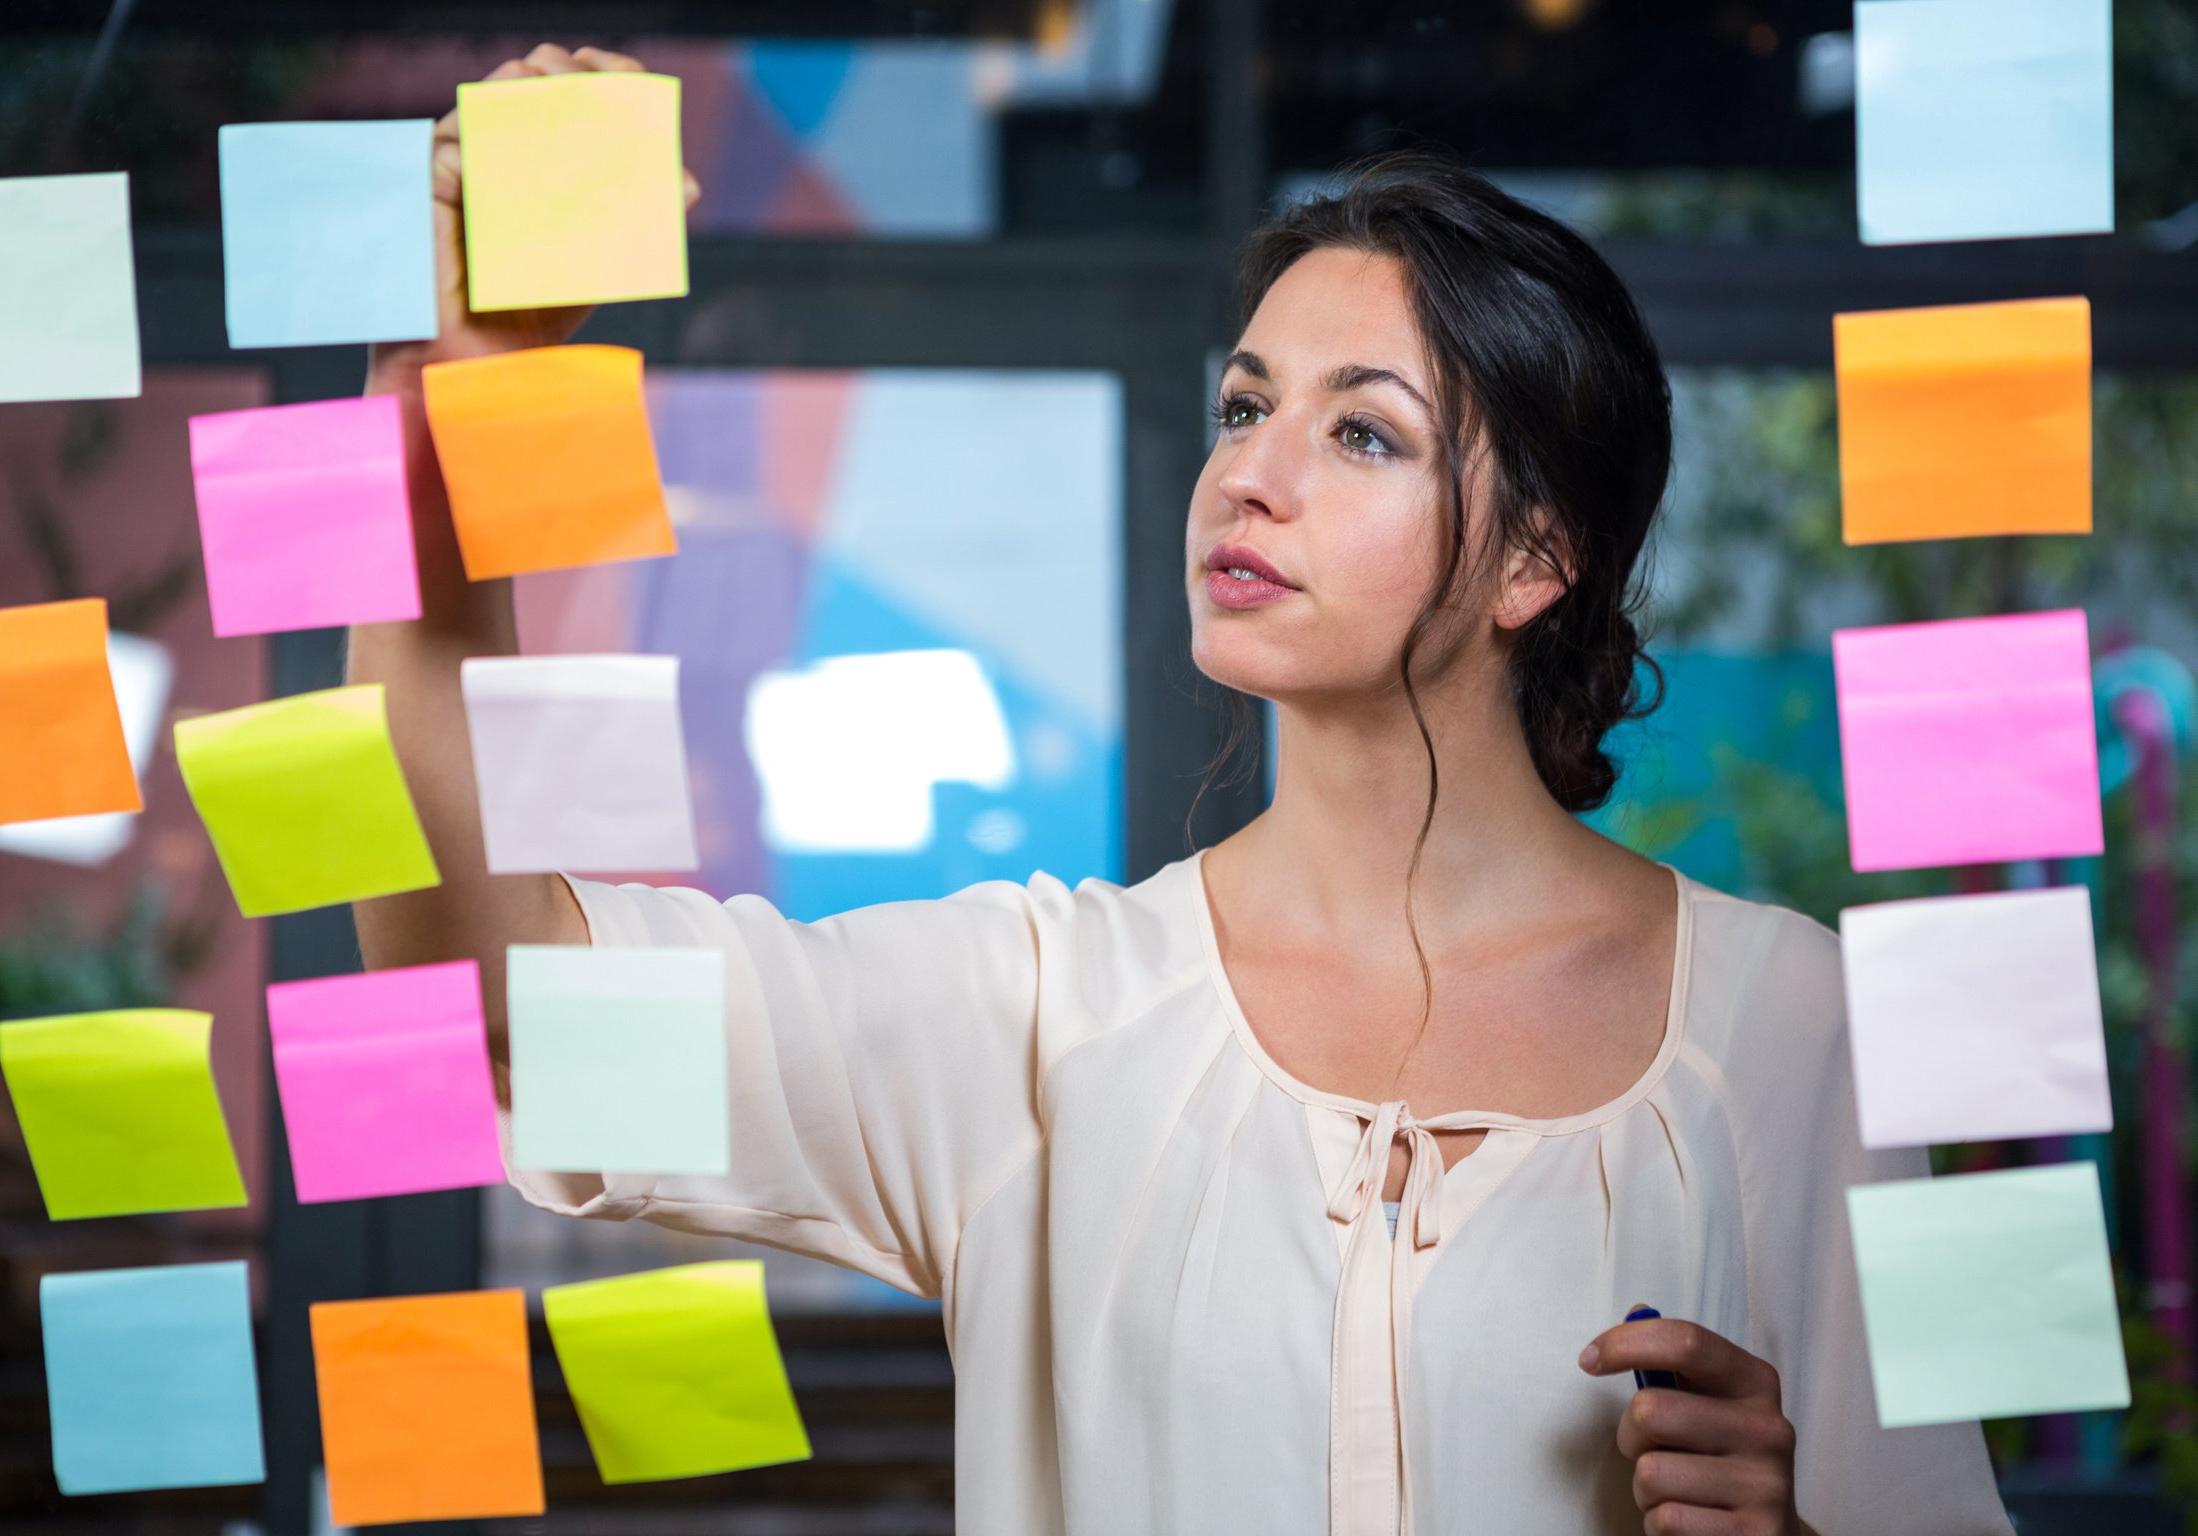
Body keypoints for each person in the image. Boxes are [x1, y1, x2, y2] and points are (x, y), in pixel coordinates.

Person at [352, 43, 2015, 1536]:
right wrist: (463, 376)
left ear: (1536, 557)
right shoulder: (1038, 1014)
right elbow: (501, 1008)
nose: (1252, 471)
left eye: (1361, 434)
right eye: (1244, 405)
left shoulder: (1803, 1028)